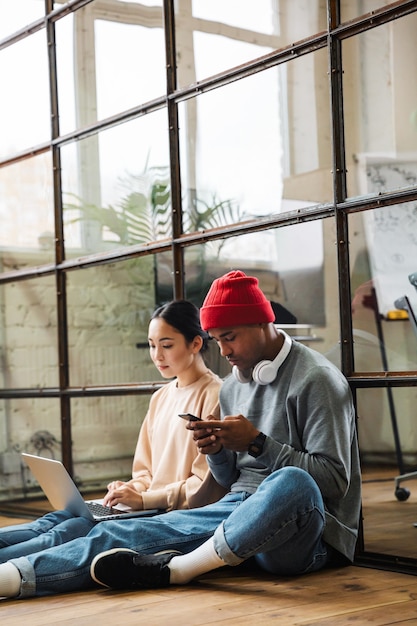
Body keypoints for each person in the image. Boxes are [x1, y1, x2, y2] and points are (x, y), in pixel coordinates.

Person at [0, 270, 361, 599]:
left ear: (262, 322)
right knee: (115, 534)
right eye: (217, 340)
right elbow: (230, 481)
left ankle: (179, 569)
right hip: (235, 515)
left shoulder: (317, 380)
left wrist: (257, 443)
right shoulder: (235, 386)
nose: (224, 351)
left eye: (230, 338)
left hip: (304, 536)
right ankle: (11, 577)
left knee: (291, 482)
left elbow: (332, 482)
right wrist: (218, 452)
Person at [0, 300, 224, 592]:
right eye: (151, 345)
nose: (157, 355)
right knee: (52, 521)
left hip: (167, 515)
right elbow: (145, 472)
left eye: (166, 345)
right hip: (142, 507)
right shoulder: (161, 397)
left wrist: (144, 500)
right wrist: (128, 490)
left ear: (196, 343)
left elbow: (203, 488)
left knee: (66, 532)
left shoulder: (216, 396)